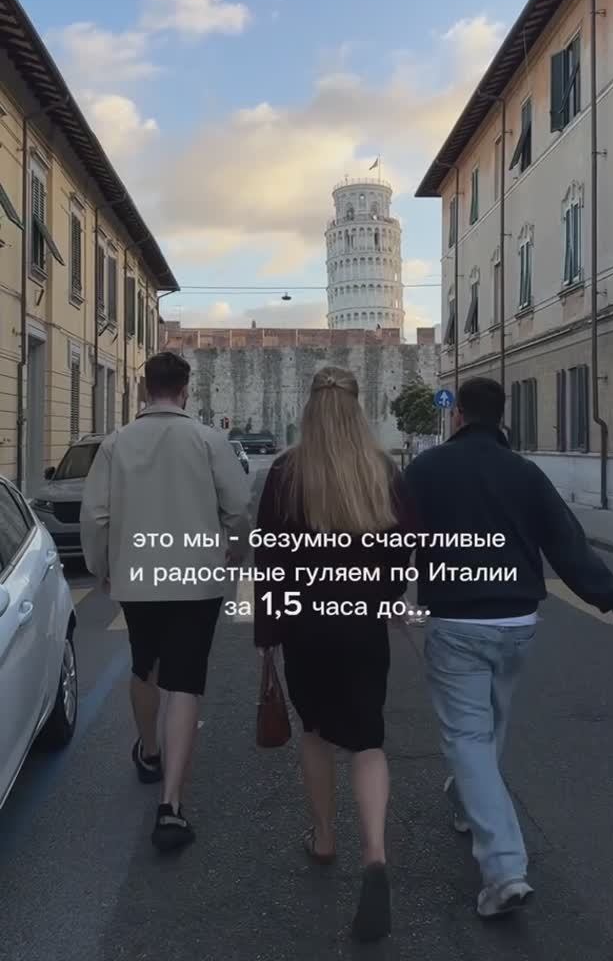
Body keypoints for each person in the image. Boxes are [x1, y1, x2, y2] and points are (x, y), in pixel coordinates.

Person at [404, 376, 613, 919]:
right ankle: (467, 803)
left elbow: (397, 538)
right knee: (491, 723)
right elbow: (566, 542)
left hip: (458, 621)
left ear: (458, 415)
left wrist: (384, 593)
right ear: (502, 416)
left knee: (468, 736)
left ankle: (504, 868)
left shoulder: (427, 469)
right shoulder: (525, 472)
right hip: (517, 622)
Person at [253, 366, 415, 944]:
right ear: (356, 409)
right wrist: (383, 597)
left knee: (317, 732)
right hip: (363, 627)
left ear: (310, 410)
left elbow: (270, 559)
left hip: (306, 629)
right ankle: (375, 855)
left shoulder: (286, 474)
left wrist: (268, 634)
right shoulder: (383, 471)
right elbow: (403, 550)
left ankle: (324, 839)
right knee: (368, 740)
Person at [80, 351, 250, 852]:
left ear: (143, 389)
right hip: (197, 577)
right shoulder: (209, 440)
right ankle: (171, 806)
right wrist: (235, 549)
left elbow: (95, 516)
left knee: (145, 666)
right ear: (185, 390)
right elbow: (238, 507)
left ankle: (149, 752)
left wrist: (101, 567)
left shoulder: (115, 444)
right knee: (185, 682)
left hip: (137, 576)